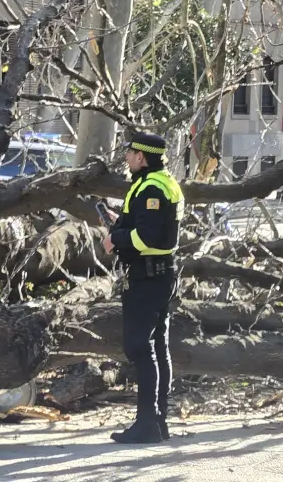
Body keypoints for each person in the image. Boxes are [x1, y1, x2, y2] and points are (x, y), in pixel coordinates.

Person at [101, 132, 184, 444]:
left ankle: (147, 424)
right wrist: (118, 222)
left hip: (148, 277)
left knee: (140, 347)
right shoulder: (161, 181)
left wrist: (115, 239)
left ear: (142, 156)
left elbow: (147, 236)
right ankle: (158, 422)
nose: (126, 156)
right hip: (160, 275)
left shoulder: (151, 187)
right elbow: (150, 225)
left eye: (130, 151)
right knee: (158, 347)